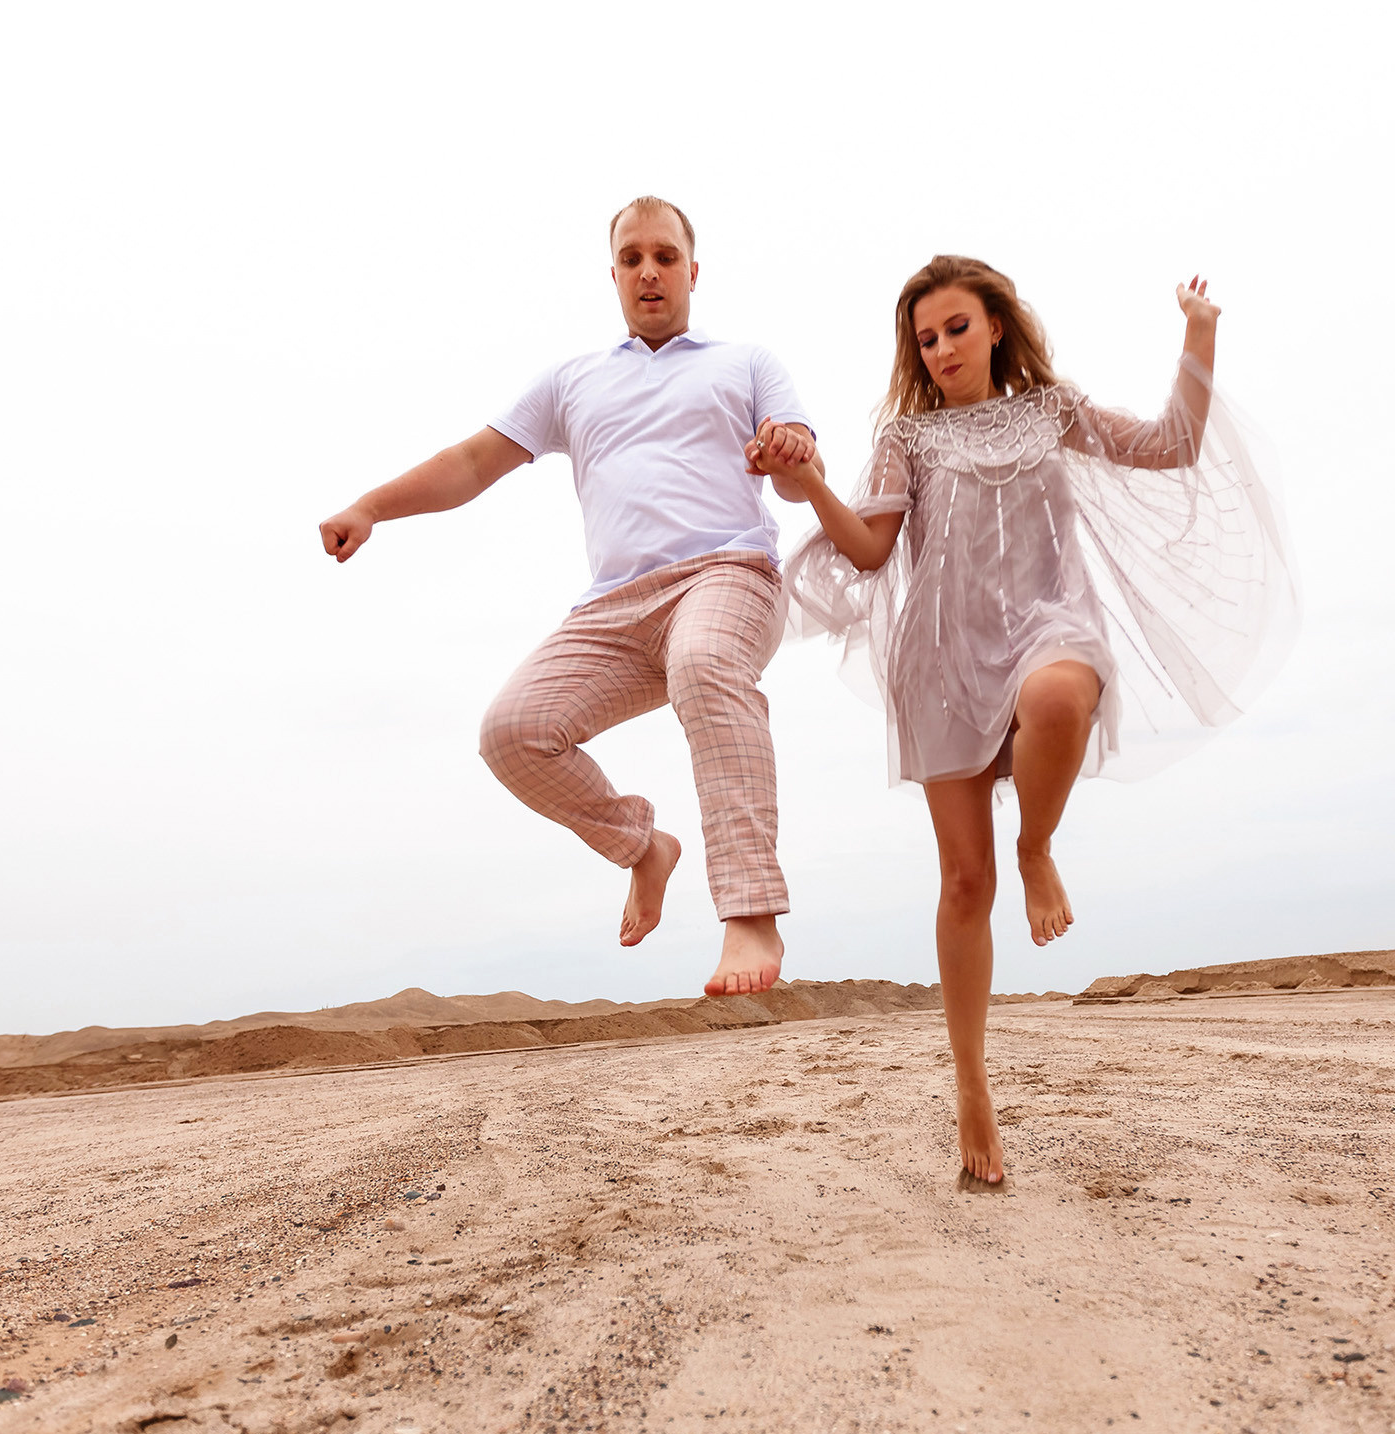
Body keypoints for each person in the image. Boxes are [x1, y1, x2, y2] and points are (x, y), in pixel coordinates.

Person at [753, 255, 1298, 1185]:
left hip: (1048, 623)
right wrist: (811, 488)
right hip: (943, 660)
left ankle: (1037, 844)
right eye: (927, 338)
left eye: (957, 328)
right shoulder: (906, 439)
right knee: (966, 883)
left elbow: (1172, 445)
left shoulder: (1054, 409)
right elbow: (872, 552)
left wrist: (1198, 335)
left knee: (1058, 696)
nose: (942, 349)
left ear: (996, 325)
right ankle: (972, 1085)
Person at [320, 197, 819, 996]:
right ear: (613, 275)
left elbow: (798, 483)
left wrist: (792, 453)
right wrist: (371, 507)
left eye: (665, 256)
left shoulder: (747, 363)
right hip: (613, 609)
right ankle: (643, 848)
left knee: (702, 663)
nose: (649, 271)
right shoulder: (572, 381)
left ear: (693, 271)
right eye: (632, 258)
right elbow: (472, 462)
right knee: (513, 731)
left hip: (726, 575)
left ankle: (751, 914)